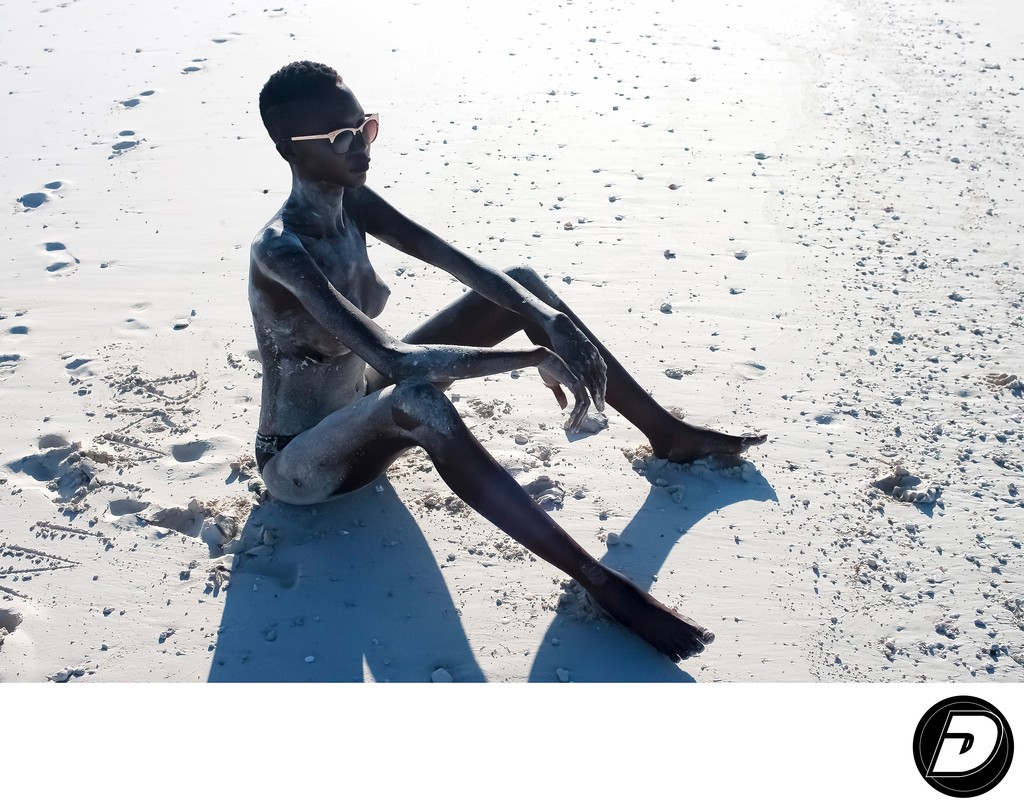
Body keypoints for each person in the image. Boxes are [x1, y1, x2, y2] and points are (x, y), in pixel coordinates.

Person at [250, 60, 766, 663]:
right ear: (291, 150)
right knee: (420, 400)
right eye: (339, 138)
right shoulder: (281, 249)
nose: (359, 146)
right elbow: (394, 357)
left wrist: (547, 320)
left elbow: (462, 265)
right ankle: (599, 584)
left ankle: (666, 433)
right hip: (303, 461)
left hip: (360, 397)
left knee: (521, 286)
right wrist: (534, 356)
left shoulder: (355, 203)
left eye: (364, 127)